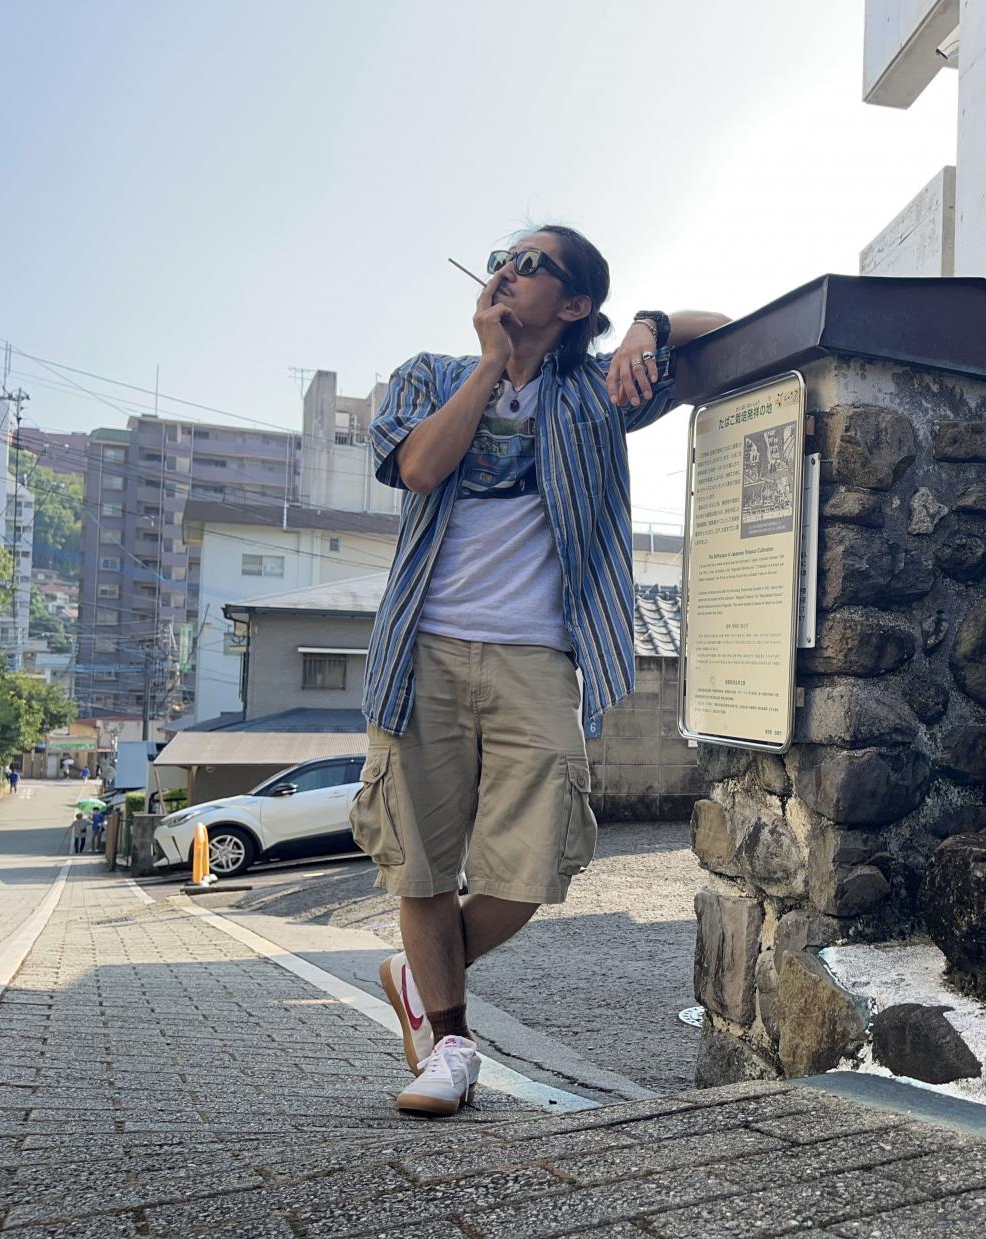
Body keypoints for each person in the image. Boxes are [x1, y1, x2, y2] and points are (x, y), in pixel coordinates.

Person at [350, 225, 729, 1116]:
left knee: (532, 868)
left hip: (540, 657)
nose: (504, 273)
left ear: (573, 304)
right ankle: (450, 1044)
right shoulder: (427, 376)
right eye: (499, 261)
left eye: (529, 264)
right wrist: (488, 364)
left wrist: (647, 329)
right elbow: (418, 467)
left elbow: (727, 327)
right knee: (423, 866)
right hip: (423, 650)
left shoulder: (603, 393)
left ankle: (420, 969)